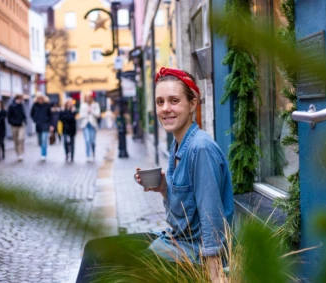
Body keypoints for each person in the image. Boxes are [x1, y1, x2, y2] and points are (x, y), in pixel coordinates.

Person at [76, 68, 234, 283]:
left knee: (109, 268)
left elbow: (210, 216)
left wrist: (215, 276)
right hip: (176, 241)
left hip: (193, 255)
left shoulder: (200, 148)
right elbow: (185, 214)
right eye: (160, 102)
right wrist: (163, 188)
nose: (166, 109)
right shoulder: (177, 146)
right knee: (95, 249)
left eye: (174, 101)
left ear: (193, 105)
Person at [31, 92, 53, 161]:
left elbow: (51, 115)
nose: (40, 100)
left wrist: (51, 125)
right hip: (38, 125)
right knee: (40, 140)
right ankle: (42, 151)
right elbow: (31, 114)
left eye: (41, 98)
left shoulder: (47, 105)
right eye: (38, 98)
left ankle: (43, 154)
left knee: (44, 140)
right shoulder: (35, 105)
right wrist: (35, 120)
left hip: (45, 124)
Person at [79, 93, 101, 162]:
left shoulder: (95, 105)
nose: (88, 99)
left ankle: (93, 153)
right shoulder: (83, 105)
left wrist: (91, 111)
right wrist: (86, 112)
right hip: (85, 125)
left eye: (89, 97)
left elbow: (98, 114)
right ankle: (88, 155)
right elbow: (81, 115)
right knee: (87, 140)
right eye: (87, 97)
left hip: (93, 125)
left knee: (92, 141)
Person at [7, 94, 27, 161]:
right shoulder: (11, 106)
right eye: (21, 99)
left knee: (21, 139)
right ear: (17, 99)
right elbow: (9, 117)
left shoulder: (21, 106)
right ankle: (18, 153)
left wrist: (24, 121)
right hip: (14, 126)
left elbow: (24, 115)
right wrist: (13, 122)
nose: (21, 100)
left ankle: (21, 153)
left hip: (21, 125)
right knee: (16, 140)